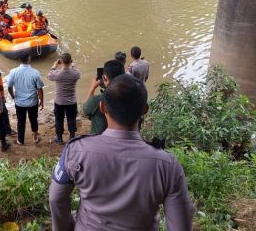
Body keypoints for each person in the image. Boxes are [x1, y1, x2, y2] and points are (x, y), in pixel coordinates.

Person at [49, 74, 195, 231]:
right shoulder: (168, 165)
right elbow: (180, 225)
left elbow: (56, 199)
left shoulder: (76, 151)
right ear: (144, 110)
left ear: (102, 107)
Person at [6, 52, 44, 145]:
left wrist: (13, 96)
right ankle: (35, 138)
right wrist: (41, 101)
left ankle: (20, 140)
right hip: (32, 102)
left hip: (19, 102)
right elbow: (40, 89)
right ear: (29, 58)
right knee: (33, 119)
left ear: (19, 59)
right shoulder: (35, 72)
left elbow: (9, 87)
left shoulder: (13, 72)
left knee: (20, 121)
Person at [82, 60, 125, 135]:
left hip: (99, 139)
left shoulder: (97, 100)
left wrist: (92, 88)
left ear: (104, 78)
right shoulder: (132, 96)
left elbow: (85, 110)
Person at [47, 53, 81, 144]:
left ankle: (59, 138)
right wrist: (73, 66)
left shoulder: (57, 74)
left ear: (61, 62)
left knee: (59, 119)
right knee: (71, 119)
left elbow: (49, 76)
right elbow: (78, 73)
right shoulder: (75, 73)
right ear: (71, 61)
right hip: (71, 101)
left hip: (59, 102)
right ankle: (72, 137)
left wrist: (54, 66)